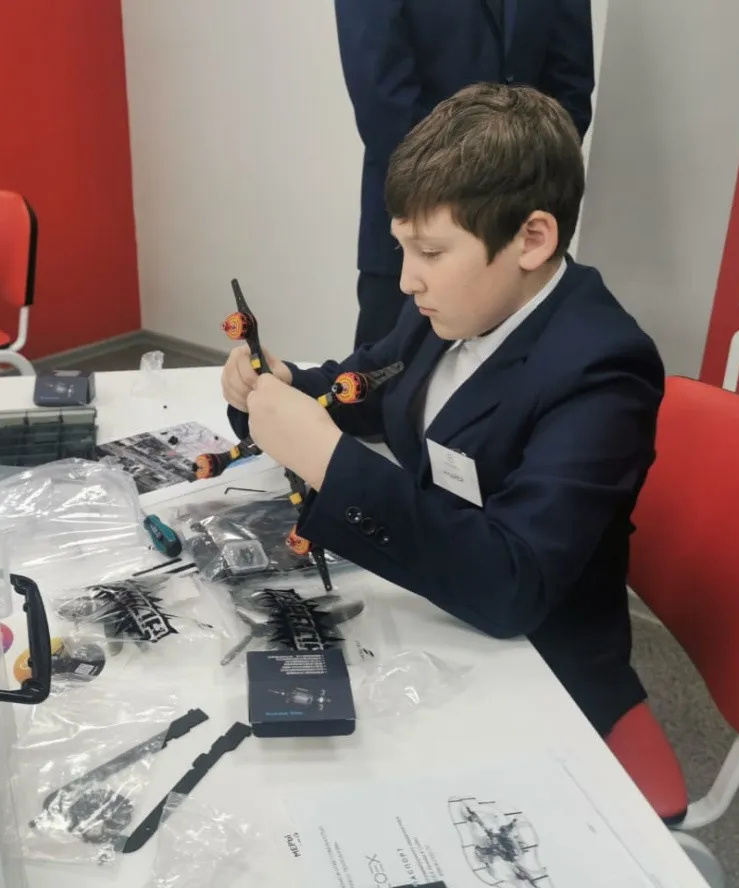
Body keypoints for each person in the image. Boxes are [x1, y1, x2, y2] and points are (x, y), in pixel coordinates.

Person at [221, 83, 664, 737]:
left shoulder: (602, 373)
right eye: (403, 247)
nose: (407, 280)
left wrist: (330, 463)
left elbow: (514, 584)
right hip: (434, 603)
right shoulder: (453, 305)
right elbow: (366, 387)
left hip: (537, 669)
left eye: (430, 252)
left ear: (531, 239)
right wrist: (284, 385)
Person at [335, 0, 595, 347]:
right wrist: (468, 191)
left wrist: (522, 187)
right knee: (387, 369)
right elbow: (380, 94)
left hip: (522, 224)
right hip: (419, 214)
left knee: (523, 372)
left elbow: (570, 87)